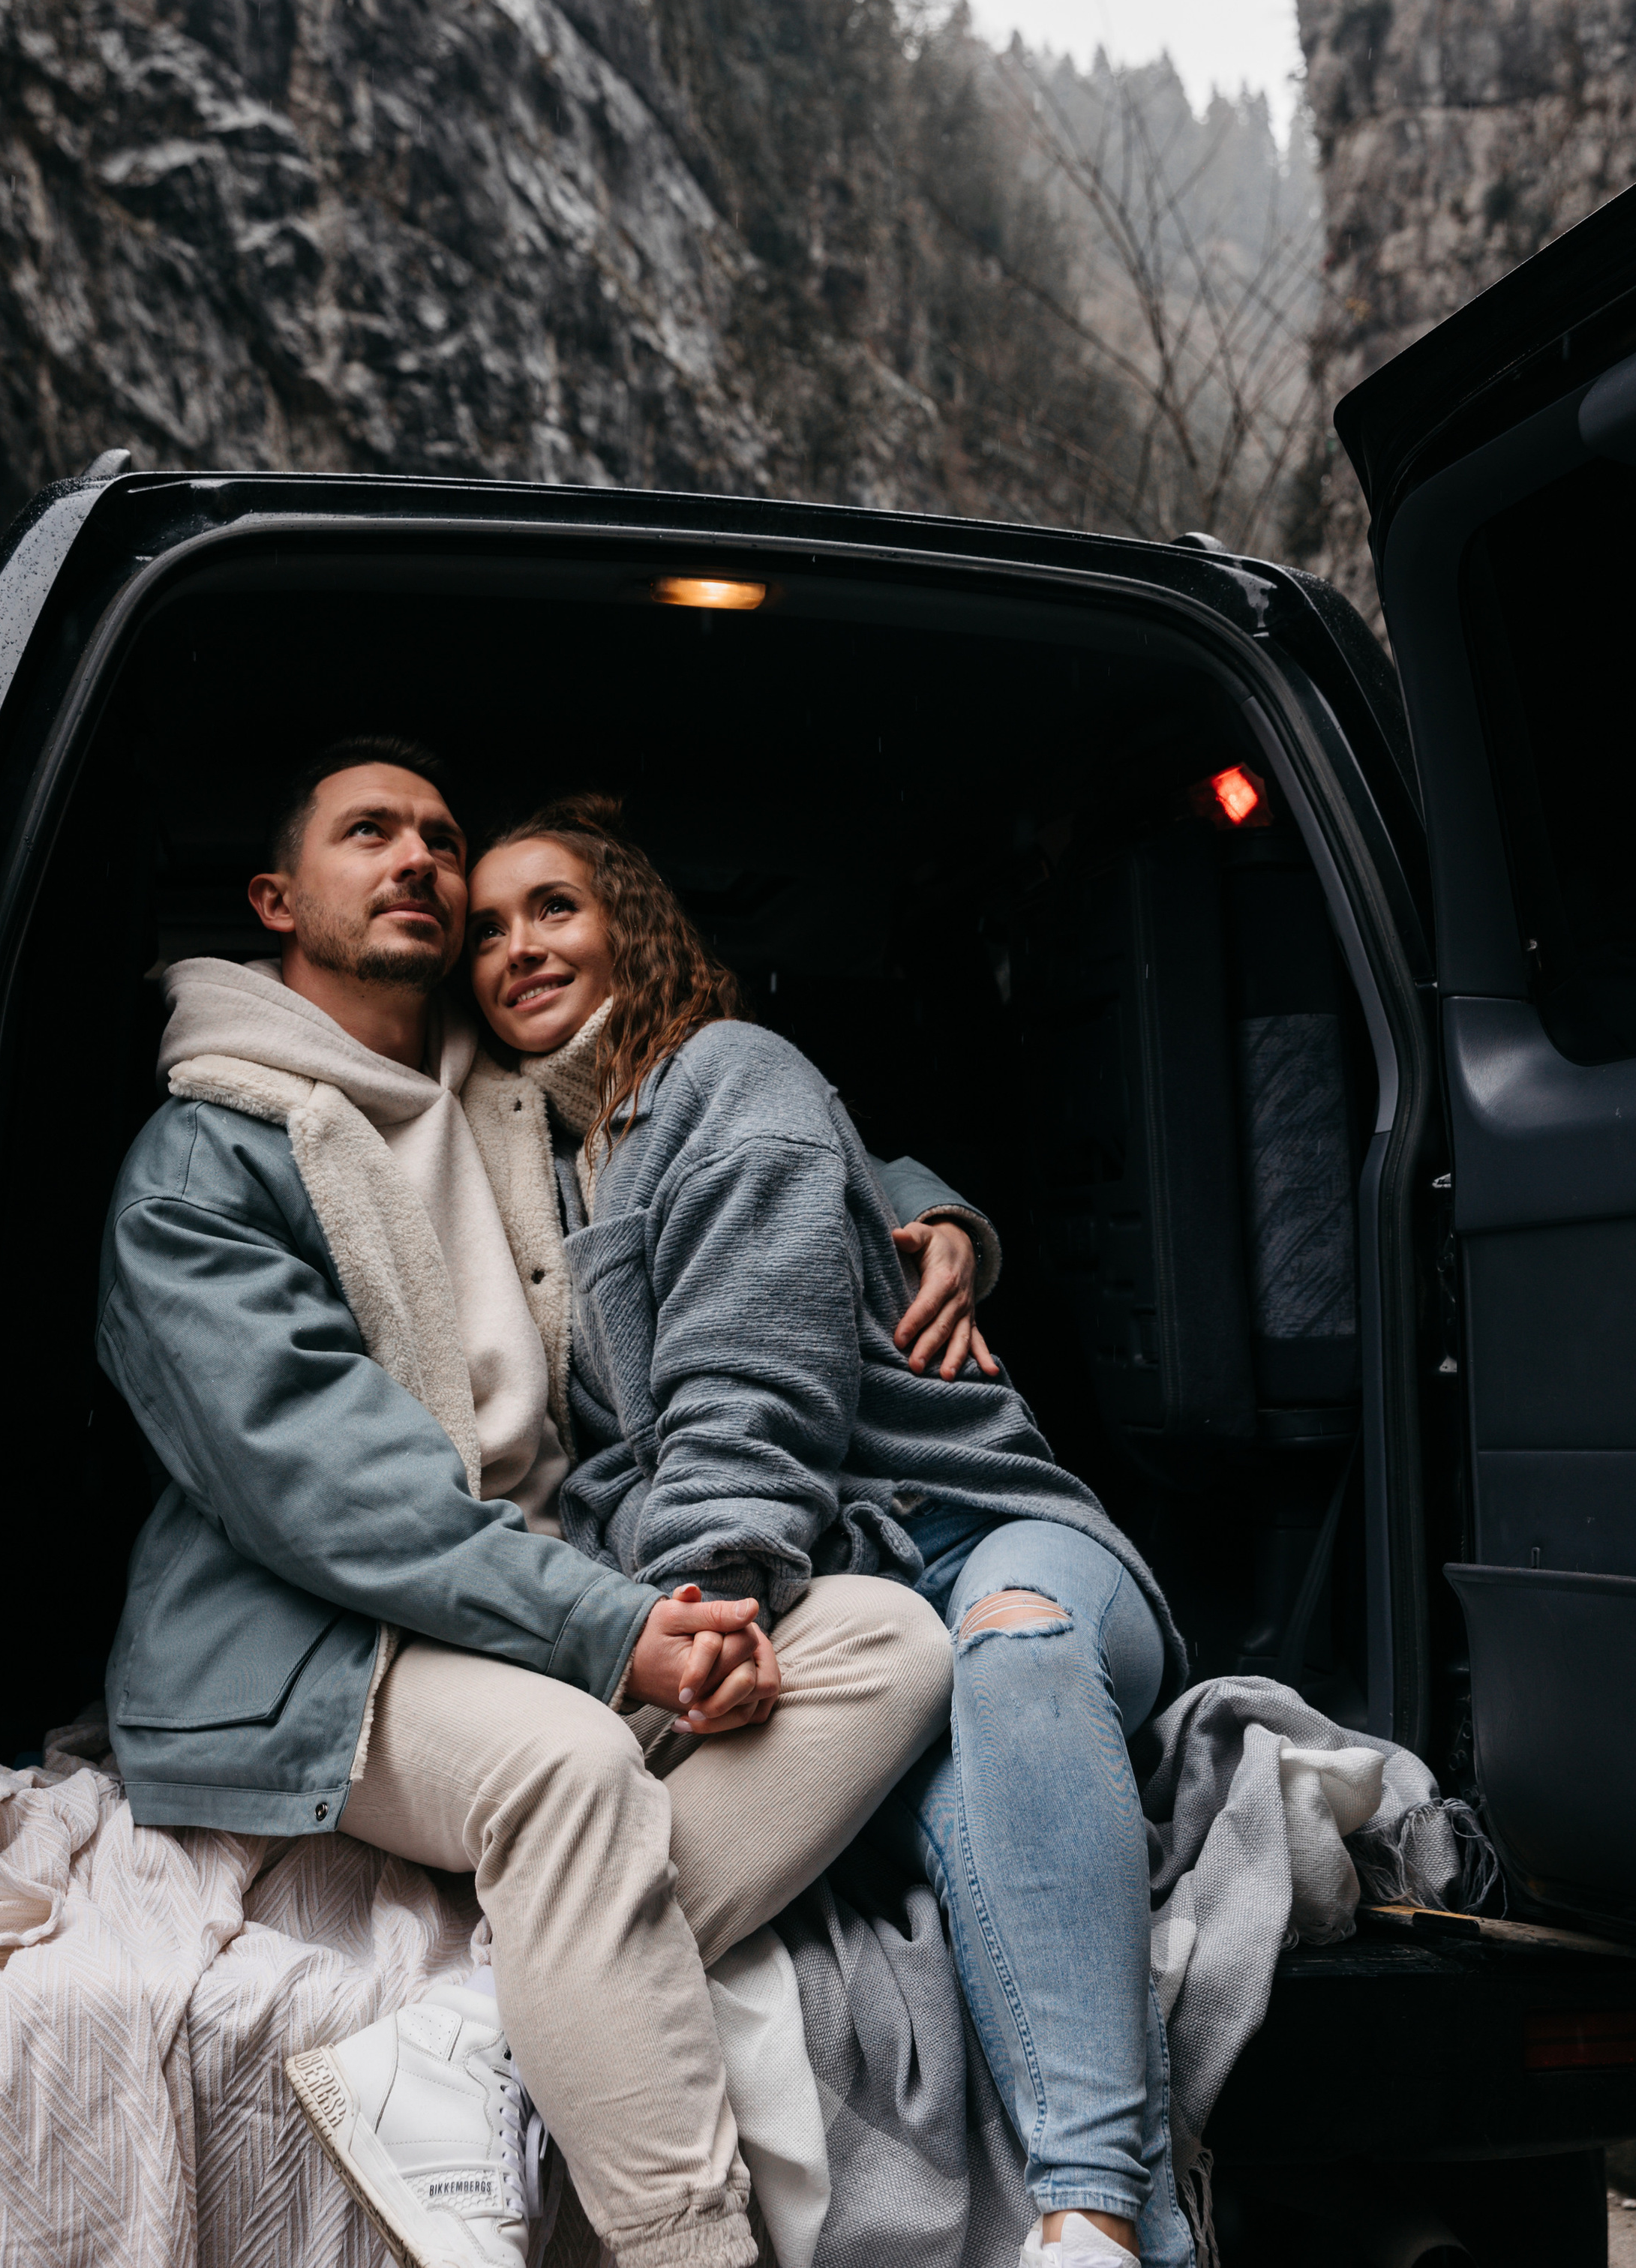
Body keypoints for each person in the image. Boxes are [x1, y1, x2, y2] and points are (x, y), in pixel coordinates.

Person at [97, 740, 983, 2268]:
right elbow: (330, 1493)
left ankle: (469, 2030)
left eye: (440, 836)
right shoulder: (203, 1156)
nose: (421, 858)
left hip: (554, 1591)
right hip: (313, 1639)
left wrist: (924, 1208)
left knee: (888, 1638)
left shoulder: (498, 1094)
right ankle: (689, 2248)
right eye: (369, 832)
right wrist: (623, 1634)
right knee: (570, 1768)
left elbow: (724, 1104)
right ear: (277, 901)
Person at [463, 796, 1196, 2268]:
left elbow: (749, 1376)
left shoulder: (725, 1074)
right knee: (944, 1807)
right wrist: (922, 1207)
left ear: (633, 923)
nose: (516, 945)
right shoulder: (538, 1172)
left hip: (977, 1530)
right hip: (849, 1605)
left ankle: (1100, 2213)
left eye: (552, 904)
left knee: (1011, 1651)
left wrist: (707, 1595)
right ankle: (1109, 2241)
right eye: (483, 928)